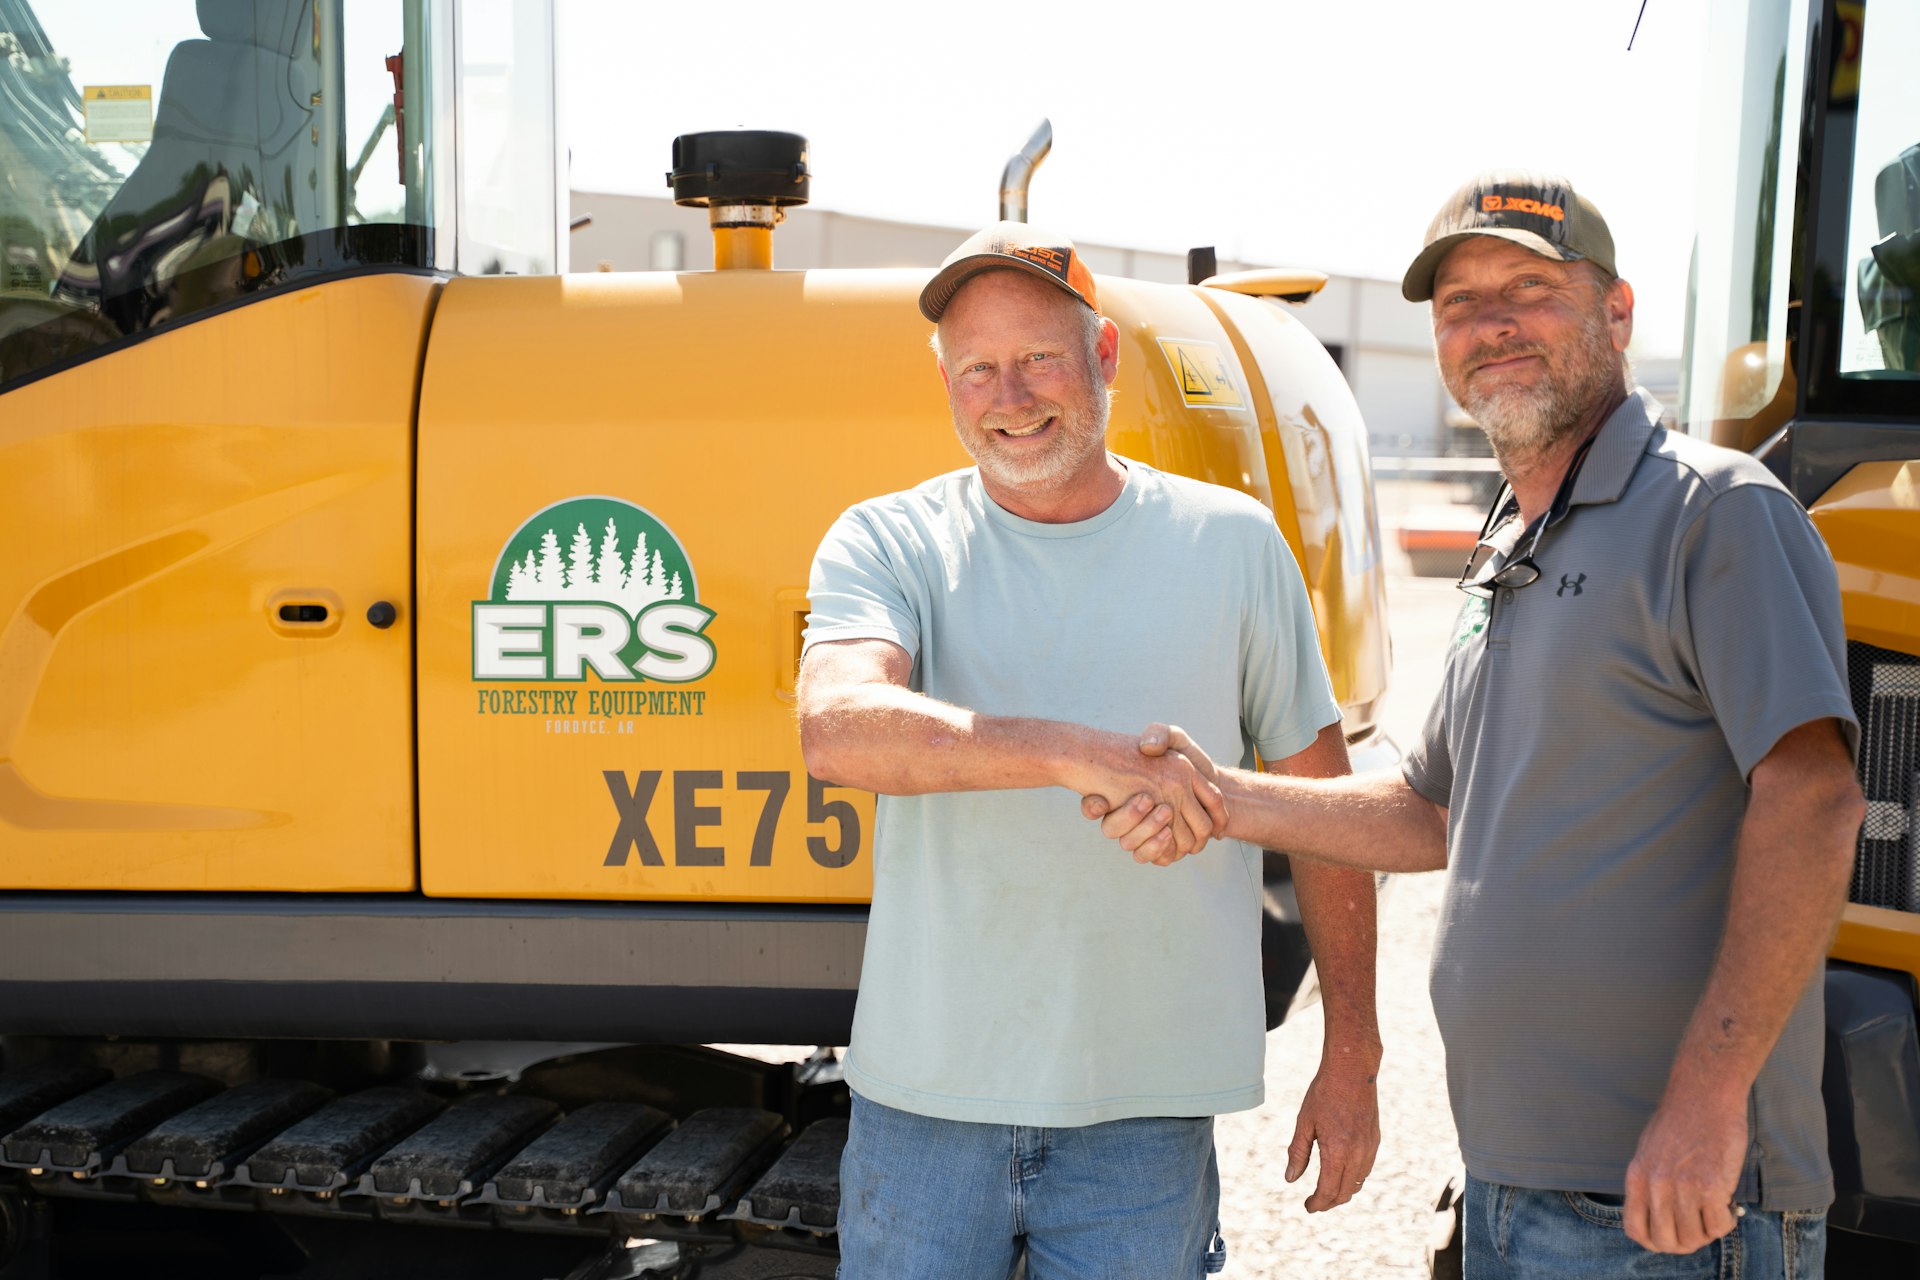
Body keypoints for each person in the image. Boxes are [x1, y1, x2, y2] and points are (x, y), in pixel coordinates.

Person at [1090, 171, 1866, 1278]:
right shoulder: (1512, 540)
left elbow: (1816, 796)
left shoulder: (1715, 513)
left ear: (1618, 313)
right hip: (1511, 1179)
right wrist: (1220, 794)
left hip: (1675, 1199)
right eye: (1459, 303)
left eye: (1530, 289)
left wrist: (1708, 1097)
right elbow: (1429, 810)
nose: (1491, 324)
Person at [797, 222, 1382, 1277]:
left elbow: (1326, 812)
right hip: (926, 1107)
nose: (1010, 395)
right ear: (944, 379)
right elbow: (837, 726)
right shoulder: (889, 540)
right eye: (978, 368)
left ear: (1104, 354)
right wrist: (1079, 754)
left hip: (1143, 1115)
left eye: (1039, 358)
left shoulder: (1233, 545)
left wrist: (1354, 1050)